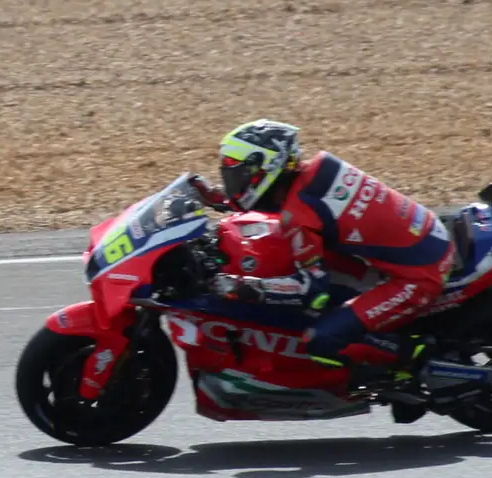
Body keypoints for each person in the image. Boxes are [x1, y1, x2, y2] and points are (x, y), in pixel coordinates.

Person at [194, 119, 454, 368]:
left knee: (321, 340)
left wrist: (250, 288)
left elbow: (313, 292)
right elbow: (274, 203)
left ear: (266, 167)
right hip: (426, 236)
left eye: (238, 172)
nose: (233, 180)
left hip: (418, 276)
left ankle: (413, 358)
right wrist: (219, 199)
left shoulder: (300, 216)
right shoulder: (317, 171)